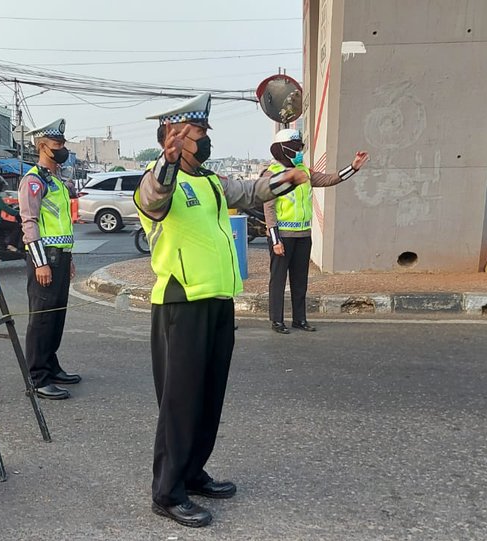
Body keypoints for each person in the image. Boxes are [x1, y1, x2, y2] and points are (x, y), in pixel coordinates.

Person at [136, 93, 347, 528]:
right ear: (173, 139)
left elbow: (253, 190)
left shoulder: (212, 183)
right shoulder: (159, 181)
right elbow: (153, 200)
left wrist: (295, 175)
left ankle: (193, 473)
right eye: (198, 135)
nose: (205, 141)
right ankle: (167, 491)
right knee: (180, 401)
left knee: (209, 396)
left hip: (216, 301)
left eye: (204, 134)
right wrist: (167, 161)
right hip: (181, 303)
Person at [263, 128, 369, 334]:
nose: (299, 152)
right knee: (278, 280)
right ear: (282, 150)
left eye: (300, 148)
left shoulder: (304, 171)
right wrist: (275, 240)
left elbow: (329, 179)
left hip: (303, 235)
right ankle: (277, 321)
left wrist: (353, 168)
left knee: (300, 280)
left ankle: (299, 319)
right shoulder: (272, 174)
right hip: (282, 236)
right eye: (295, 149)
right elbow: (269, 208)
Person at [17, 118, 81, 400]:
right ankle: (38, 377)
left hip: (61, 257)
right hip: (45, 259)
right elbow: (29, 223)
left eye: (63, 143)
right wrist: (41, 262)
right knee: (41, 319)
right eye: (58, 144)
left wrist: (69, 257)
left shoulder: (54, 181)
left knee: (56, 317)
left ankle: (51, 366)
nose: (62, 148)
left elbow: (62, 224)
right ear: (43, 146)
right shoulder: (32, 181)